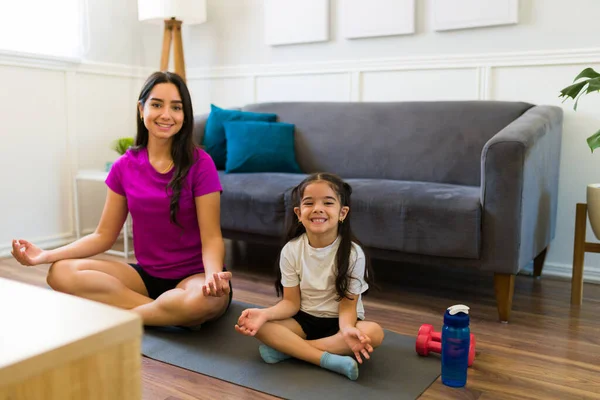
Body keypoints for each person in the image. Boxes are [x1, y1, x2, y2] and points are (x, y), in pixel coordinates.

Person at [11, 71, 232, 328]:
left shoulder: (201, 163)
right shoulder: (124, 166)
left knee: (203, 301)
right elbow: (103, 236)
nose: (166, 115)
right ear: (141, 109)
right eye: (157, 104)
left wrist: (213, 277)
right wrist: (46, 255)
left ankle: (129, 315)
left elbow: (212, 237)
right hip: (146, 278)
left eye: (176, 107)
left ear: (185, 115)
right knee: (60, 273)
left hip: (194, 276)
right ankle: (164, 313)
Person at [234, 172, 384, 380]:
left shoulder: (353, 253)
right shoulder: (291, 250)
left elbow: (348, 306)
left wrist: (348, 329)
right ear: (298, 212)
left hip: (340, 321)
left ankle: (291, 351)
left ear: (342, 213)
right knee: (260, 327)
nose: (318, 209)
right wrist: (265, 314)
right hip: (303, 320)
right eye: (309, 203)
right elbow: (290, 303)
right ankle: (327, 359)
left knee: (374, 332)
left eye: (328, 202)